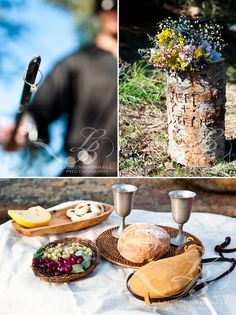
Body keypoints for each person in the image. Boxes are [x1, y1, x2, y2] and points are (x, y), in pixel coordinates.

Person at [0, 0, 117, 177]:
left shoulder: (141, 61)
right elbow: (42, 107)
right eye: (110, 8)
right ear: (97, 13)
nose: (116, 13)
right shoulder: (76, 62)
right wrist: (21, 128)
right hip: (84, 173)